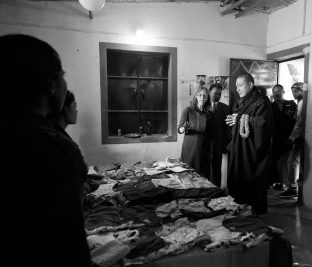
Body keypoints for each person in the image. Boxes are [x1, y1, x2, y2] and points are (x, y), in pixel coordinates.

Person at [0, 34, 91, 267]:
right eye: (62, 76)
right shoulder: (49, 146)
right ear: (50, 84)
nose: (65, 84)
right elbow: (66, 240)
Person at [226, 73, 273, 214]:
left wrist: (239, 118)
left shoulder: (261, 101)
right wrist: (234, 120)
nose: (237, 89)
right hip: (238, 149)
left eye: (240, 85)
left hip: (252, 153)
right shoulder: (240, 102)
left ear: (250, 85)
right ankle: (238, 209)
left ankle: (253, 214)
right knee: (236, 181)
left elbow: (263, 123)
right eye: (236, 86)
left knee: (251, 185)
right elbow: (239, 119)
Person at [178, 85, 212, 177]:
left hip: (204, 148)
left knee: (202, 176)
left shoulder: (209, 113)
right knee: (187, 174)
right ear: (196, 96)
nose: (202, 97)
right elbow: (180, 128)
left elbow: (210, 133)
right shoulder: (188, 110)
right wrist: (183, 128)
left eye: (205, 95)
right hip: (190, 148)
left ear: (208, 97)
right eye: (200, 95)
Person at [279, 82, 304, 198]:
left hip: (298, 137)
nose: (293, 93)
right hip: (298, 137)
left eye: (295, 91)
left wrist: (291, 137)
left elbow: (298, 124)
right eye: (292, 91)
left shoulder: (301, 103)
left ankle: (293, 187)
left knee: (292, 162)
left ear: (301, 91)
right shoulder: (299, 103)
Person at [270, 84, 297, 190]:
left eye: (279, 91)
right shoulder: (270, 106)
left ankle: (291, 185)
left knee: (289, 162)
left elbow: (296, 121)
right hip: (276, 138)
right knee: (274, 161)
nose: (276, 93)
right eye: (274, 92)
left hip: (290, 138)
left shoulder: (291, 104)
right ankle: (277, 183)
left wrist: (293, 137)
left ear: (283, 92)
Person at [208, 83, 230, 186]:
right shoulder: (203, 106)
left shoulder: (226, 108)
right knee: (204, 170)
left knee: (217, 169)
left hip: (218, 144)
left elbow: (228, 129)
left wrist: (226, 145)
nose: (217, 96)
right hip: (205, 145)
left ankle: (216, 192)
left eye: (219, 94)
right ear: (209, 92)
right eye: (215, 93)